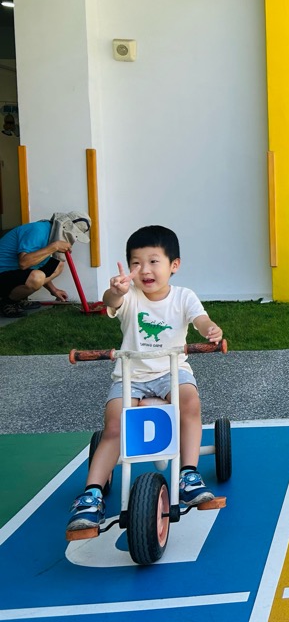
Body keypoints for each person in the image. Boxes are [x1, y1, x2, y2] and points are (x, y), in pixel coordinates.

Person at [66, 225, 224, 533]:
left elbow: (200, 319)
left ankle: (188, 474)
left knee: (189, 404)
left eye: (153, 261)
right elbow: (111, 301)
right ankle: (91, 494)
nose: (145, 270)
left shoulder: (184, 296)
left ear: (173, 265)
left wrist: (210, 330)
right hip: (131, 376)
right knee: (114, 425)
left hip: (171, 371)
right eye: (136, 263)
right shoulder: (129, 296)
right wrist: (116, 290)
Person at [0, 211, 90, 317]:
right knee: (37, 277)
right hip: (3, 272)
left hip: (13, 273)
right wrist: (55, 246)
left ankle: (17, 298)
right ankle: (7, 302)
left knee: (58, 264)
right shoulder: (38, 230)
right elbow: (24, 263)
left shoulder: (52, 234)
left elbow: (36, 267)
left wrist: (54, 290)